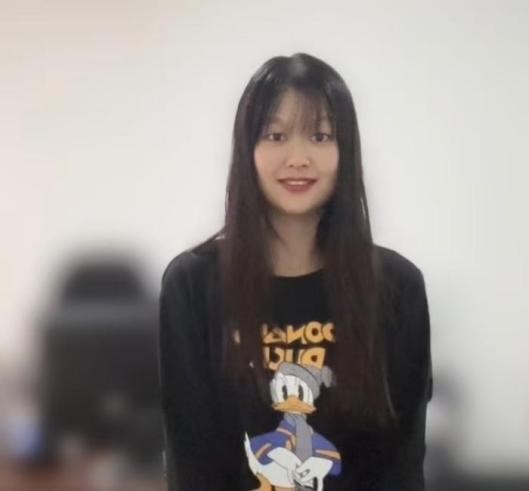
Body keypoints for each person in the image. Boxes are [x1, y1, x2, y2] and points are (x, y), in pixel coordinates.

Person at [158, 52, 433, 491]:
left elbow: (399, 464)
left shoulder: (397, 287)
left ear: (345, 151)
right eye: (276, 135)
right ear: (247, 149)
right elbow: (192, 460)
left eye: (320, 136)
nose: (298, 157)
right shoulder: (192, 285)